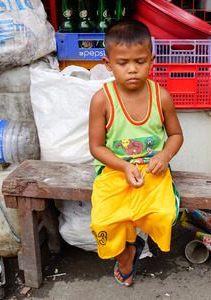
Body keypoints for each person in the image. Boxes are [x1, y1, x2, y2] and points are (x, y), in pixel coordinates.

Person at [88, 19, 184, 287]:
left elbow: (176, 135)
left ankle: (135, 239)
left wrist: (163, 156)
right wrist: (124, 167)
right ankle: (125, 255)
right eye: (122, 63)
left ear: (152, 60)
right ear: (108, 64)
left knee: (162, 215)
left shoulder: (161, 96)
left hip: (153, 171)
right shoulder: (102, 99)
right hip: (115, 170)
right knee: (103, 225)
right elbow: (96, 147)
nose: (132, 69)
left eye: (140, 62)